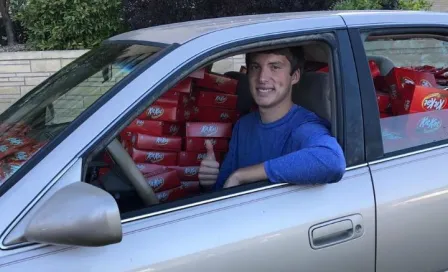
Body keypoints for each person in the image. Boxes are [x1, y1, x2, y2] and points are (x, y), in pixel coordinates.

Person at [198, 47, 346, 190]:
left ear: (294, 76)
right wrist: (209, 182)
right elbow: (225, 188)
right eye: (256, 67)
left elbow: (332, 161)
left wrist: (243, 175)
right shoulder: (243, 125)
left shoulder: (305, 127)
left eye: (274, 67)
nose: (262, 78)